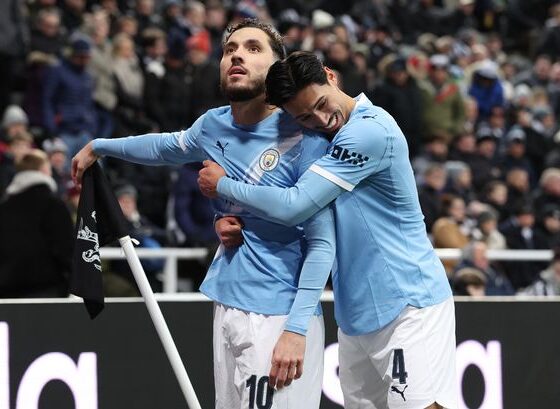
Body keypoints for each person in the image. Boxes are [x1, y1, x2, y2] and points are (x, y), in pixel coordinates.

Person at [72, 19, 335, 409]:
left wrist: (296, 330)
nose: (237, 56)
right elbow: (163, 147)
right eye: (230, 50)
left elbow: (323, 243)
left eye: (253, 48)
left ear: (278, 67)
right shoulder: (213, 125)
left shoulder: (304, 135)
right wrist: (101, 146)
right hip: (226, 303)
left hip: (280, 315)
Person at [198, 51, 456, 409]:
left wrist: (224, 186)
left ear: (331, 76)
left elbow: (295, 205)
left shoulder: (370, 131)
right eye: (305, 116)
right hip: (354, 316)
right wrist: (227, 216)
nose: (321, 119)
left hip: (409, 304)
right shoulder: (318, 138)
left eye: (321, 104)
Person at [0, 149, 74, 297]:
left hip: (6, 289)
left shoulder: (4, 206)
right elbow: (66, 247)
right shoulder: (53, 204)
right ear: (44, 170)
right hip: (46, 288)